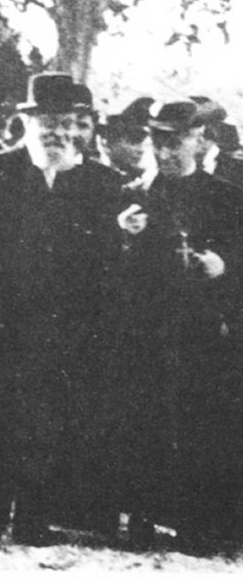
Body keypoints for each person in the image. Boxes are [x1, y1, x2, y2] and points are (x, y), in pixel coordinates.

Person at [0, 72, 122, 548]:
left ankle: (33, 520)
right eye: (49, 122)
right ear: (29, 122)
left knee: (50, 423)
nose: (59, 132)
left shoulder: (101, 181)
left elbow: (107, 258)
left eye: (69, 122)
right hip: (5, 319)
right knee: (0, 421)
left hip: (68, 325)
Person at [106, 100, 243, 554]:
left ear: (200, 140)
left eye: (176, 142)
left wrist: (225, 266)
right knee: (145, 421)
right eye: (158, 142)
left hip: (203, 330)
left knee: (200, 425)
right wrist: (123, 236)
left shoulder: (228, 197)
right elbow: (104, 268)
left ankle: (195, 524)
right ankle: (141, 519)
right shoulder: (134, 194)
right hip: (148, 329)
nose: (165, 152)